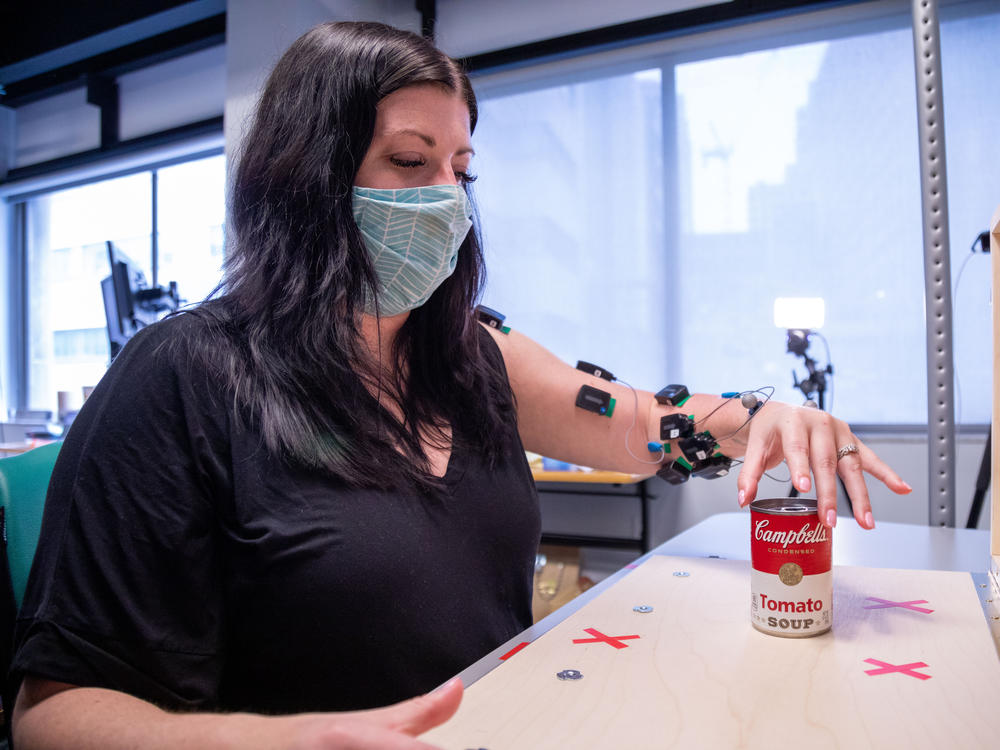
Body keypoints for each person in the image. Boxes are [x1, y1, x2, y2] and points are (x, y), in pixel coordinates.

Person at [9, 21, 911, 750]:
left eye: (461, 170)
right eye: (410, 163)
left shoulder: (472, 352)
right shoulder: (185, 375)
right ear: (306, 177)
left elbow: (638, 421)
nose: (446, 197)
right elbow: (53, 713)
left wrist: (768, 417)